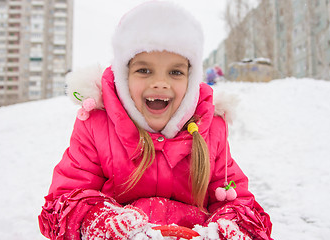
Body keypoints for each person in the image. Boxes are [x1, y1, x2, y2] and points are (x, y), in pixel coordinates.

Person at [38, 2, 273, 240]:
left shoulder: (210, 130)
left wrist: (230, 227)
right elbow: (66, 199)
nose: (160, 83)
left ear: (191, 81)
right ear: (123, 75)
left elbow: (238, 201)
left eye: (175, 72)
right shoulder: (96, 125)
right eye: (144, 70)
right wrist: (101, 222)